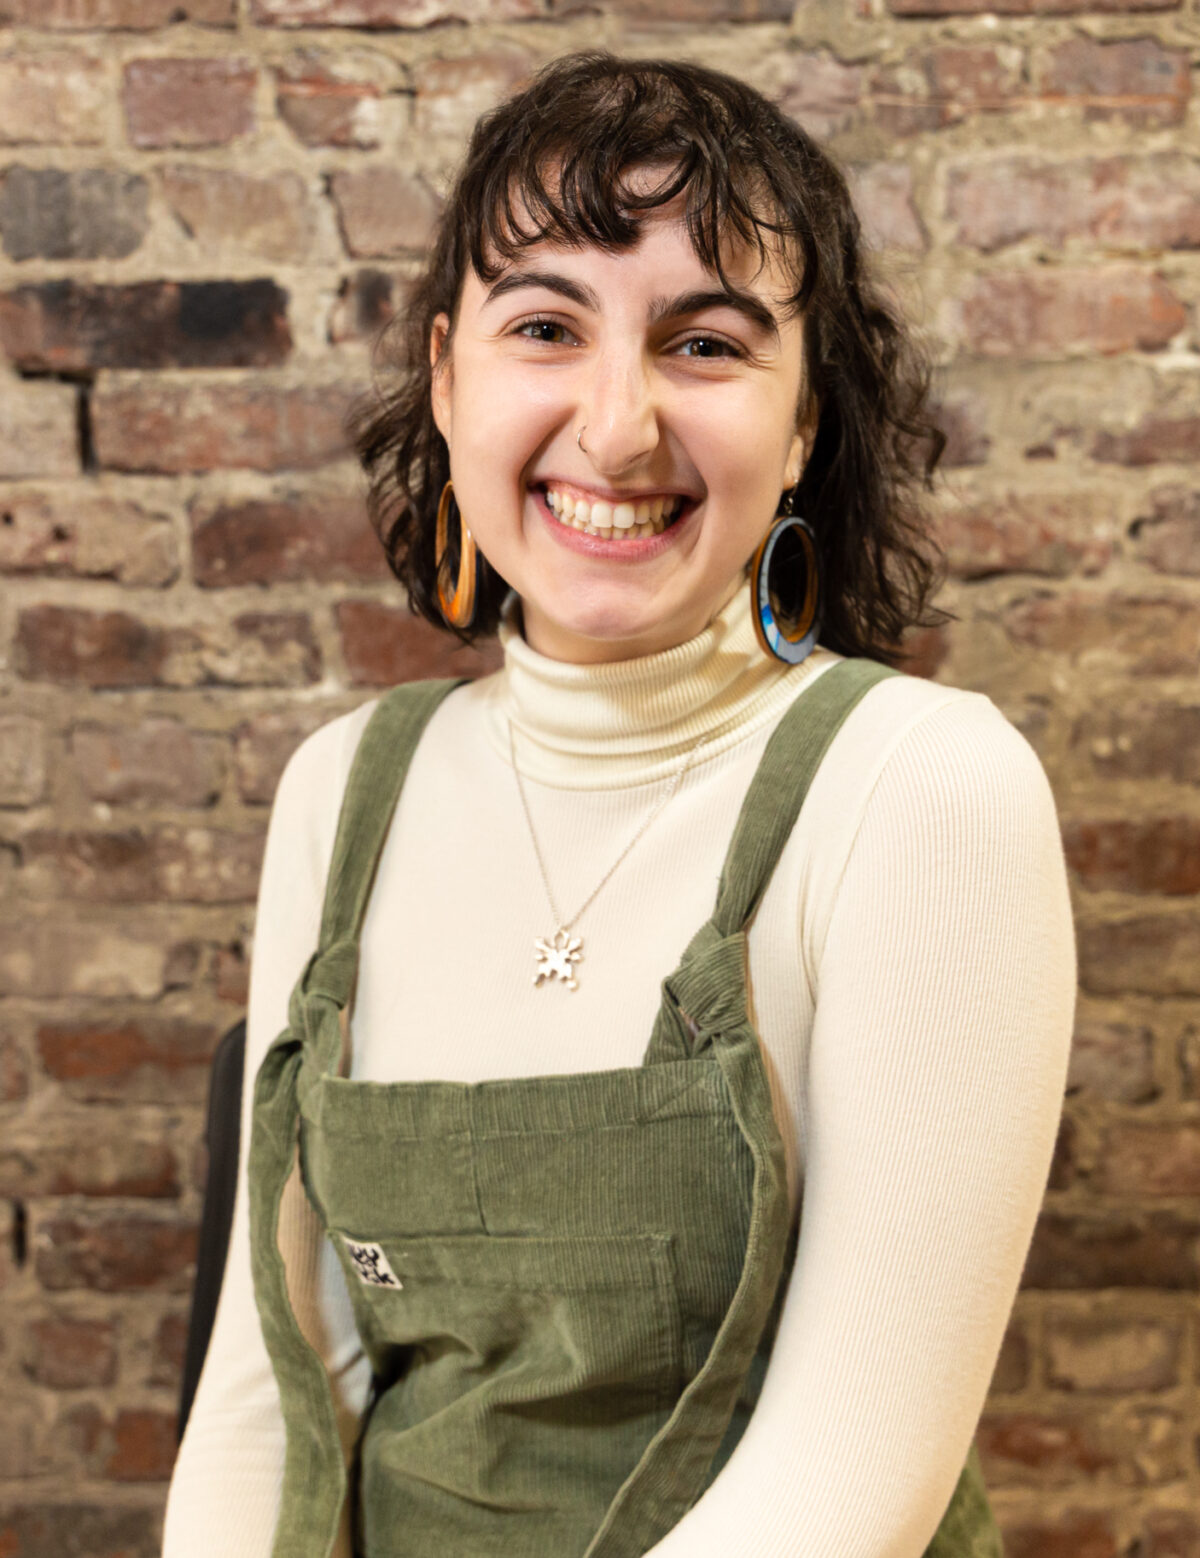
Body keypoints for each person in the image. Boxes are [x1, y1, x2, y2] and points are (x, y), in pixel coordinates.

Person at [163, 49, 1077, 1558]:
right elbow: (273, 1386)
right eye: (546, 326)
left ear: (805, 428)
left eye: (704, 345)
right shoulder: (344, 791)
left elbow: (851, 1475)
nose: (616, 426)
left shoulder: (922, 788)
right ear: (450, 377)